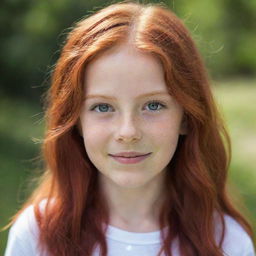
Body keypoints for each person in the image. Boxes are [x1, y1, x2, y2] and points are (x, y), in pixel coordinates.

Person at [3, 1, 255, 256]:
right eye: (103, 107)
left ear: (187, 117)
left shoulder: (227, 243)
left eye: (153, 105)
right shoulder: (37, 236)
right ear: (76, 120)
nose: (128, 131)